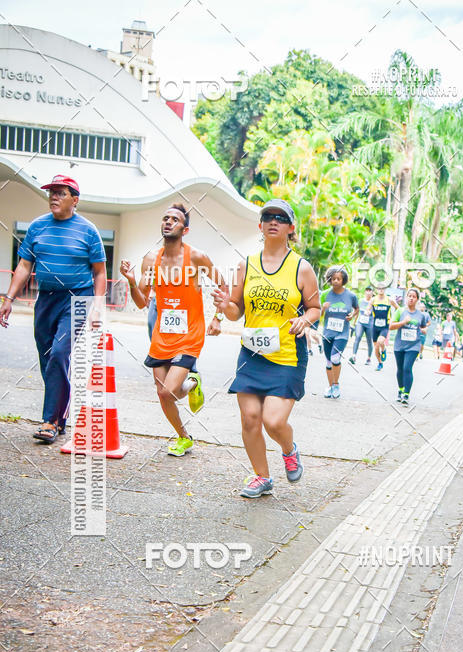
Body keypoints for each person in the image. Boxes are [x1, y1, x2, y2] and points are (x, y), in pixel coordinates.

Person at [213, 199, 320, 498]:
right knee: (249, 418)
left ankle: (289, 449)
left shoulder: (302, 268)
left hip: (287, 355)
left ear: (290, 227)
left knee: (273, 421)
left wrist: (304, 320)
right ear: (260, 225)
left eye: (280, 217)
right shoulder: (246, 264)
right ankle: (262, 477)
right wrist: (225, 306)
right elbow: (237, 311)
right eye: (267, 217)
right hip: (252, 353)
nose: (273, 221)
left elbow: (315, 308)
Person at [0, 175, 106, 444]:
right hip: (46, 299)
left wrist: (96, 307)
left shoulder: (88, 230)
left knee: (60, 353)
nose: (53, 197)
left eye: (60, 193)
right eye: (51, 193)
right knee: (49, 360)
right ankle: (60, 419)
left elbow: (100, 272)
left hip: (77, 299)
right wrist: (9, 298)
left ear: (75, 199)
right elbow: (24, 266)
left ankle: (49, 421)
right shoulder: (37, 227)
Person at [120, 203, 225, 456]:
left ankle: (190, 382)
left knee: (170, 391)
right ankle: (184, 437)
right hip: (163, 333)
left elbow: (222, 283)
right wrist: (132, 281)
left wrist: (218, 317)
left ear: (185, 229)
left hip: (190, 332)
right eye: (165, 218)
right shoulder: (150, 259)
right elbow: (141, 301)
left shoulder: (197, 257)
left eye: (175, 219)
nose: (168, 222)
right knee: (162, 393)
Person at [321, 267, 359, 397]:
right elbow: (316, 313)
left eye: (339, 279)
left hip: (342, 333)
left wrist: (352, 316)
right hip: (327, 332)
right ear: (329, 279)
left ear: (343, 280)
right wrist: (322, 309)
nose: (336, 281)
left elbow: (356, 309)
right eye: (333, 279)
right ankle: (330, 386)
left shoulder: (351, 296)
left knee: (335, 357)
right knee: (328, 361)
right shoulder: (325, 294)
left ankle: (336, 385)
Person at [389, 287, 428, 405]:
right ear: (406, 298)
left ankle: (406, 394)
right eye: (409, 296)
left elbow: (423, 327)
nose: (411, 298)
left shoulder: (421, 315)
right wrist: (403, 322)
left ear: (417, 300)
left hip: (414, 346)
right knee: (400, 369)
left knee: (407, 368)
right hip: (399, 345)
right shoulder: (400, 311)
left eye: (414, 297)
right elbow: (391, 326)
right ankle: (400, 390)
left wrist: (424, 330)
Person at [349, 285, 374, 364]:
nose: (368, 292)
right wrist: (354, 322)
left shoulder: (374, 302)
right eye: (367, 290)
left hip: (370, 324)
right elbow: (357, 311)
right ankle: (353, 356)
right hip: (360, 323)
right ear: (365, 292)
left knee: (369, 340)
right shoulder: (361, 301)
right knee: (358, 337)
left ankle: (369, 358)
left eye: (370, 291)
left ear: (372, 293)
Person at [371, 287, 393, 371]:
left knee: (380, 342)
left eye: (383, 288)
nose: (381, 289)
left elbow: (398, 309)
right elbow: (368, 308)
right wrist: (367, 311)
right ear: (376, 289)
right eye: (379, 288)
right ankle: (380, 363)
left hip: (384, 326)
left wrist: (394, 320)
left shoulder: (389, 300)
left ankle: (383, 349)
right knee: (376, 348)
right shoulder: (373, 300)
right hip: (375, 327)